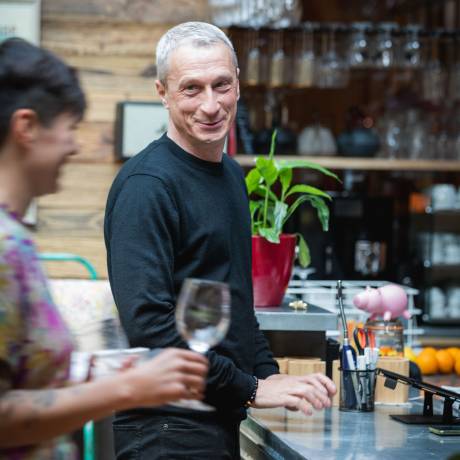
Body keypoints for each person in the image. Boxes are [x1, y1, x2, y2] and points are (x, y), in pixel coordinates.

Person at [104, 21, 336, 459]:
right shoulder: (147, 185)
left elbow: (232, 300)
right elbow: (151, 327)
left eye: (221, 85)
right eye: (192, 89)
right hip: (165, 429)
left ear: (238, 87)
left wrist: (270, 377)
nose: (210, 105)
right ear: (163, 93)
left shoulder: (230, 175)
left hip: (215, 419)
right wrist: (251, 389)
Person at [0, 37, 208, 459]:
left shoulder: (15, 238)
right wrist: (127, 388)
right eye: (69, 128)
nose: (75, 146)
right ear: (26, 127)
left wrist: (111, 370)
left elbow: (25, 375)